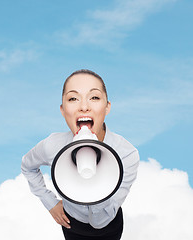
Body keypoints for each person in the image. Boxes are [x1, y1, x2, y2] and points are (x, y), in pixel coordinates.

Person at [21, 69, 139, 240]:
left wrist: (97, 186)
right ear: (63, 110)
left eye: (94, 97)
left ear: (107, 107)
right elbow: (27, 166)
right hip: (72, 225)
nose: (84, 106)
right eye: (73, 99)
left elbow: (100, 221)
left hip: (108, 227)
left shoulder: (127, 154)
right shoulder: (52, 146)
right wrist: (50, 203)